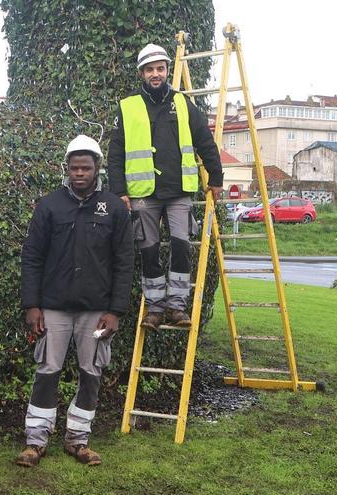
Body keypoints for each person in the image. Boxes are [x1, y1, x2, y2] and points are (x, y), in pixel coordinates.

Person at [16, 135, 135, 467]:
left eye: (86, 167)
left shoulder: (114, 208)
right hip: (52, 309)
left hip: (96, 314)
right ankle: (35, 442)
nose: (79, 173)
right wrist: (32, 305)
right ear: (66, 169)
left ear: (97, 168)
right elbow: (32, 258)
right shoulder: (50, 206)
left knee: (90, 371)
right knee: (48, 370)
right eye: (74, 167)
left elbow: (124, 262)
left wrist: (115, 311)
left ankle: (78, 440)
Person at [108, 43, 224, 329]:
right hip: (143, 194)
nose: (156, 74)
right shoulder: (128, 106)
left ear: (167, 71)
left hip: (178, 191)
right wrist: (119, 190)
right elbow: (116, 153)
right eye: (150, 70)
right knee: (148, 251)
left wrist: (216, 177)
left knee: (181, 247)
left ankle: (177, 307)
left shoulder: (183, 103)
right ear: (142, 74)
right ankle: (155, 309)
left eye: (160, 68)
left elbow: (205, 142)